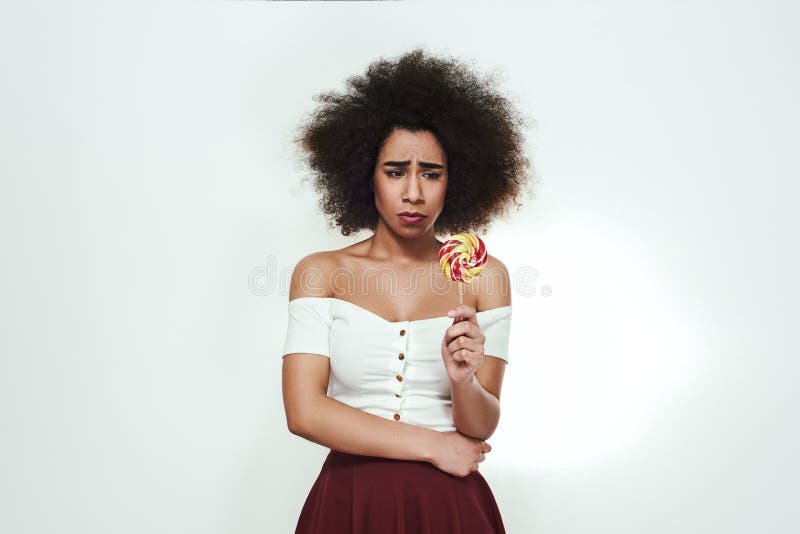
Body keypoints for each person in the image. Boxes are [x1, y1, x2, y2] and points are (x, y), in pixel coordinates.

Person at [281, 47, 532, 533]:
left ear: (454, 183)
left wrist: (463, 380)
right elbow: (304, 411)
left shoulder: (485, 277)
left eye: (431, 174)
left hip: (451, 506)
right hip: (350, 501)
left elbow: (480, 427)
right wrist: (435, 445)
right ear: (365, 175)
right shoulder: (320, 273)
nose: (413, 192)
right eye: (395, 171)